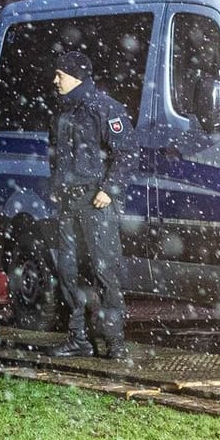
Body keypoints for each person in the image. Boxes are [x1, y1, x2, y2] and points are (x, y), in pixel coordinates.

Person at [46, 49, 137, 359]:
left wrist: (109, 189)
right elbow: (55, 152)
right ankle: (78, 338)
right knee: (67, 270)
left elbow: (125, 152)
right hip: (69, 203)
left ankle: (114, 342)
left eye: (60, 74)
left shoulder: (104, 108)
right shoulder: (63, 112)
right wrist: (56, 186)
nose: (55, 79)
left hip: (95, 202)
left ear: (76, 77)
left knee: (104, 270)